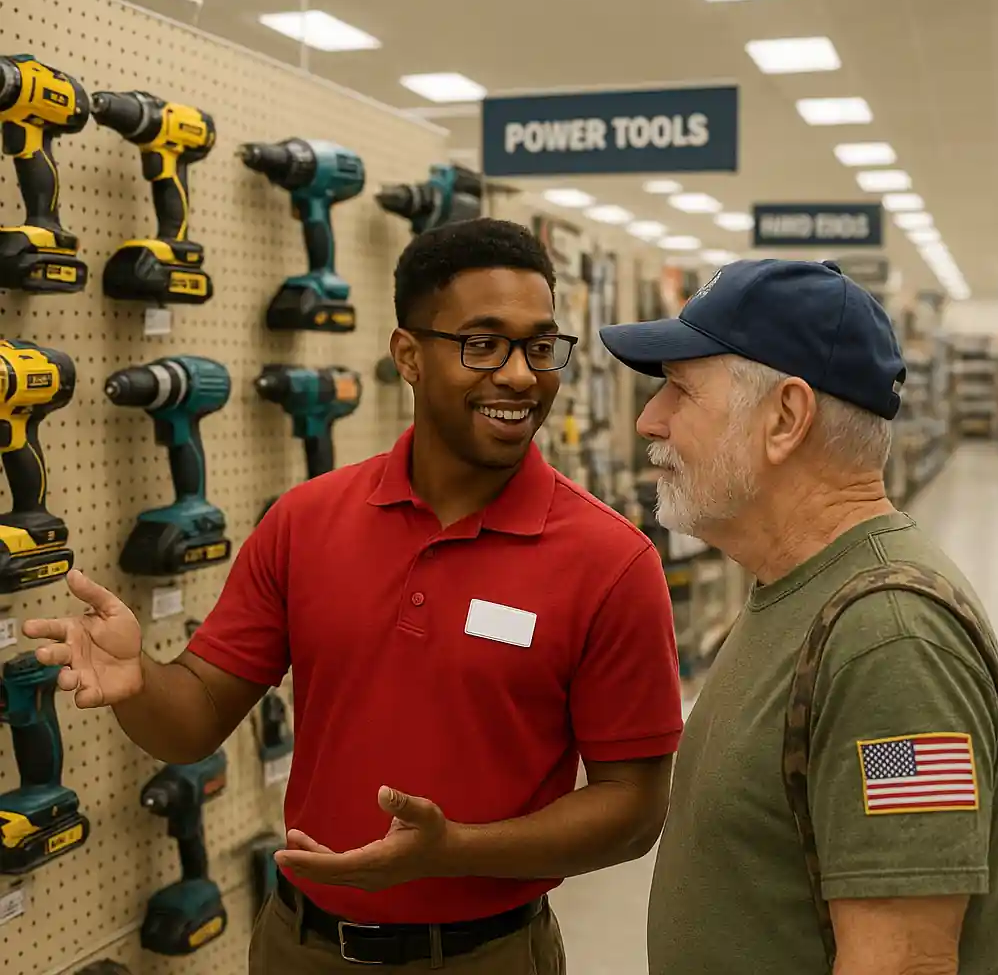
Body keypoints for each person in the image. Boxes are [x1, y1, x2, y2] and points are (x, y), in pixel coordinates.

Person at [25, 218, 684, 974]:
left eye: (540, 346)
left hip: (485, 955)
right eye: (482, 343)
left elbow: (634, 809)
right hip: (299, 947)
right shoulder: (305, 522)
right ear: (408, 355)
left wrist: (453, 852)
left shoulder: (610, 561)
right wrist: (139, 683)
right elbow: (196, 717)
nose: (519, 375)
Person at [599, 258, 998, 975]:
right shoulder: (799, 592)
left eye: (679, 390)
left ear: (785, 418)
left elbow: (906, 963)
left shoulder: (891, 646)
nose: (650, 419)